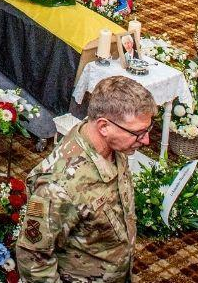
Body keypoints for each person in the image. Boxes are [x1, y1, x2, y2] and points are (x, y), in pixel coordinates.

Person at [16, 75, 155, 282]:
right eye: (138, 133)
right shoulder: (60, 186)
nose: (146, 140)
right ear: (103, 126)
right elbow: (34, 261)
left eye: (148, 129)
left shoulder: (113, 146)